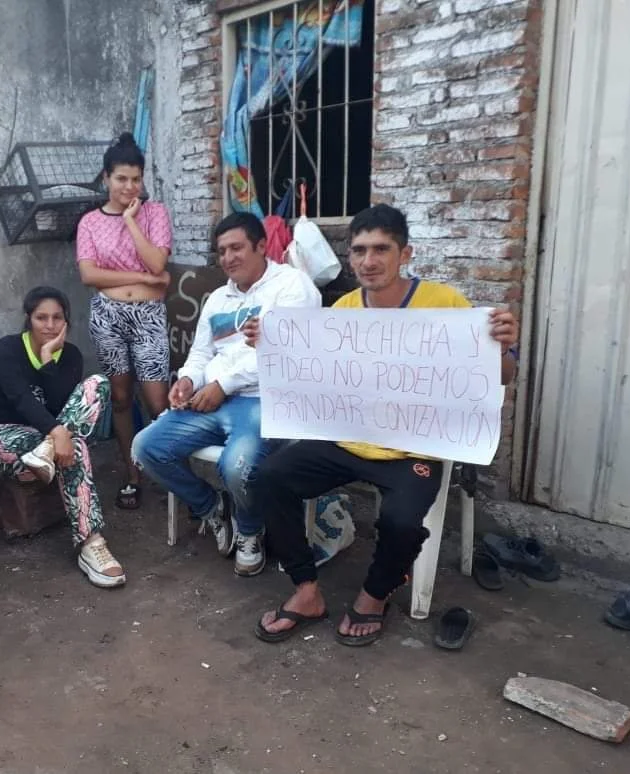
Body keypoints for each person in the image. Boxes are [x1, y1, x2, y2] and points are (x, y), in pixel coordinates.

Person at [247, 204, 520, 646]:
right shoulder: (342, 310)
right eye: (359, 250)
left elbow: (502, 376)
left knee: (401, 520)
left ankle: (375, 594)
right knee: (269, 477)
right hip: (347, 440)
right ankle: (305, 588)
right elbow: (315, 374)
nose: (368, 261)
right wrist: (271, 345)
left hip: (413, 448)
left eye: (381, 249)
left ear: (404, 254)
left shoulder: (446, 305)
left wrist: (502, 349)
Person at [131, 212, 321, 576]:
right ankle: (212, 507)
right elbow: (201, 352)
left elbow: (289, 352)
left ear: (261, 246)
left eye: (236, 248)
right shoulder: (219, 297)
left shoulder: (292, 286)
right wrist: (188, 380)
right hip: (213, 398)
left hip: (266, 399)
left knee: (237, 466)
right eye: (221, 251)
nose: (228, 258)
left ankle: (250, 530)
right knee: (146, 447)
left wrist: (223, 385)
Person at [0, 287, 125, 588]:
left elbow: (62, 405)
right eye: (41, 317)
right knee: (69, 442)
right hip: (6, 438)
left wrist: (48, 360)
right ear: (28, 318)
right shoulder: (7, 349)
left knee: (98, 384)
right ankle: (90, 540)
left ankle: (91, 543)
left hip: (50, 445)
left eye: (57, 318)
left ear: (66, 321)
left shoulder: (70, 356)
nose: (49, 325)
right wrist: (58, 433)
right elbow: (20, 399)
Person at [76, 132, 172, 511]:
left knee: (158, 402)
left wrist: (132, 221)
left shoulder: (155, 213)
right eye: (121, 179)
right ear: (106, 178)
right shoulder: (89, 223)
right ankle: (132, 475)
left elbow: (158, 264)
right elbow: (89, 275)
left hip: (148, 317)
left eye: (136, 179)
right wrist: (143, 279)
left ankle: (170, 475)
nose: (129, 187)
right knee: (120, 398)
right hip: (108, 318)